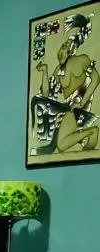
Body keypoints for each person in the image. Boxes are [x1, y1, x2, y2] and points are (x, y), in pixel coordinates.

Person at [31, 14, 99, 155]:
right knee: (58, 145)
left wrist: (82, 103)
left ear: (71, 49)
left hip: (77, 109)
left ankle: (92, 132)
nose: (60, 52)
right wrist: (45, 72)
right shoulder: (58, 69)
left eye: (64, 47)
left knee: (61, 145)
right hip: (67, 110)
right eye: (61, 47)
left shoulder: (79, 60)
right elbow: (46, 93)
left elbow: (96, 78)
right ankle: (87, 135)